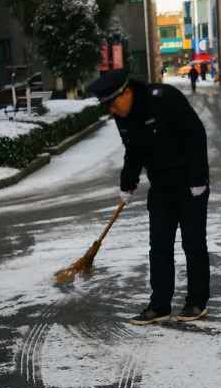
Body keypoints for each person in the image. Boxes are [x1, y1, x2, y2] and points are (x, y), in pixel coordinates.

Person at [85, 68, 211, 325]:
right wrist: (127, 183)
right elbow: (134, 150)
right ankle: (160, 304)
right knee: (159, 246)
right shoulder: (124, 116)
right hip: (161, 187)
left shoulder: (164, 98)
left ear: (127, 92)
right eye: (106, 105)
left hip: (189, 184)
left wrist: (198, 180)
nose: (111, 110)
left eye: (112, 103)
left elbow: (195, 135)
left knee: (193, 244)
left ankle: (197, 301)